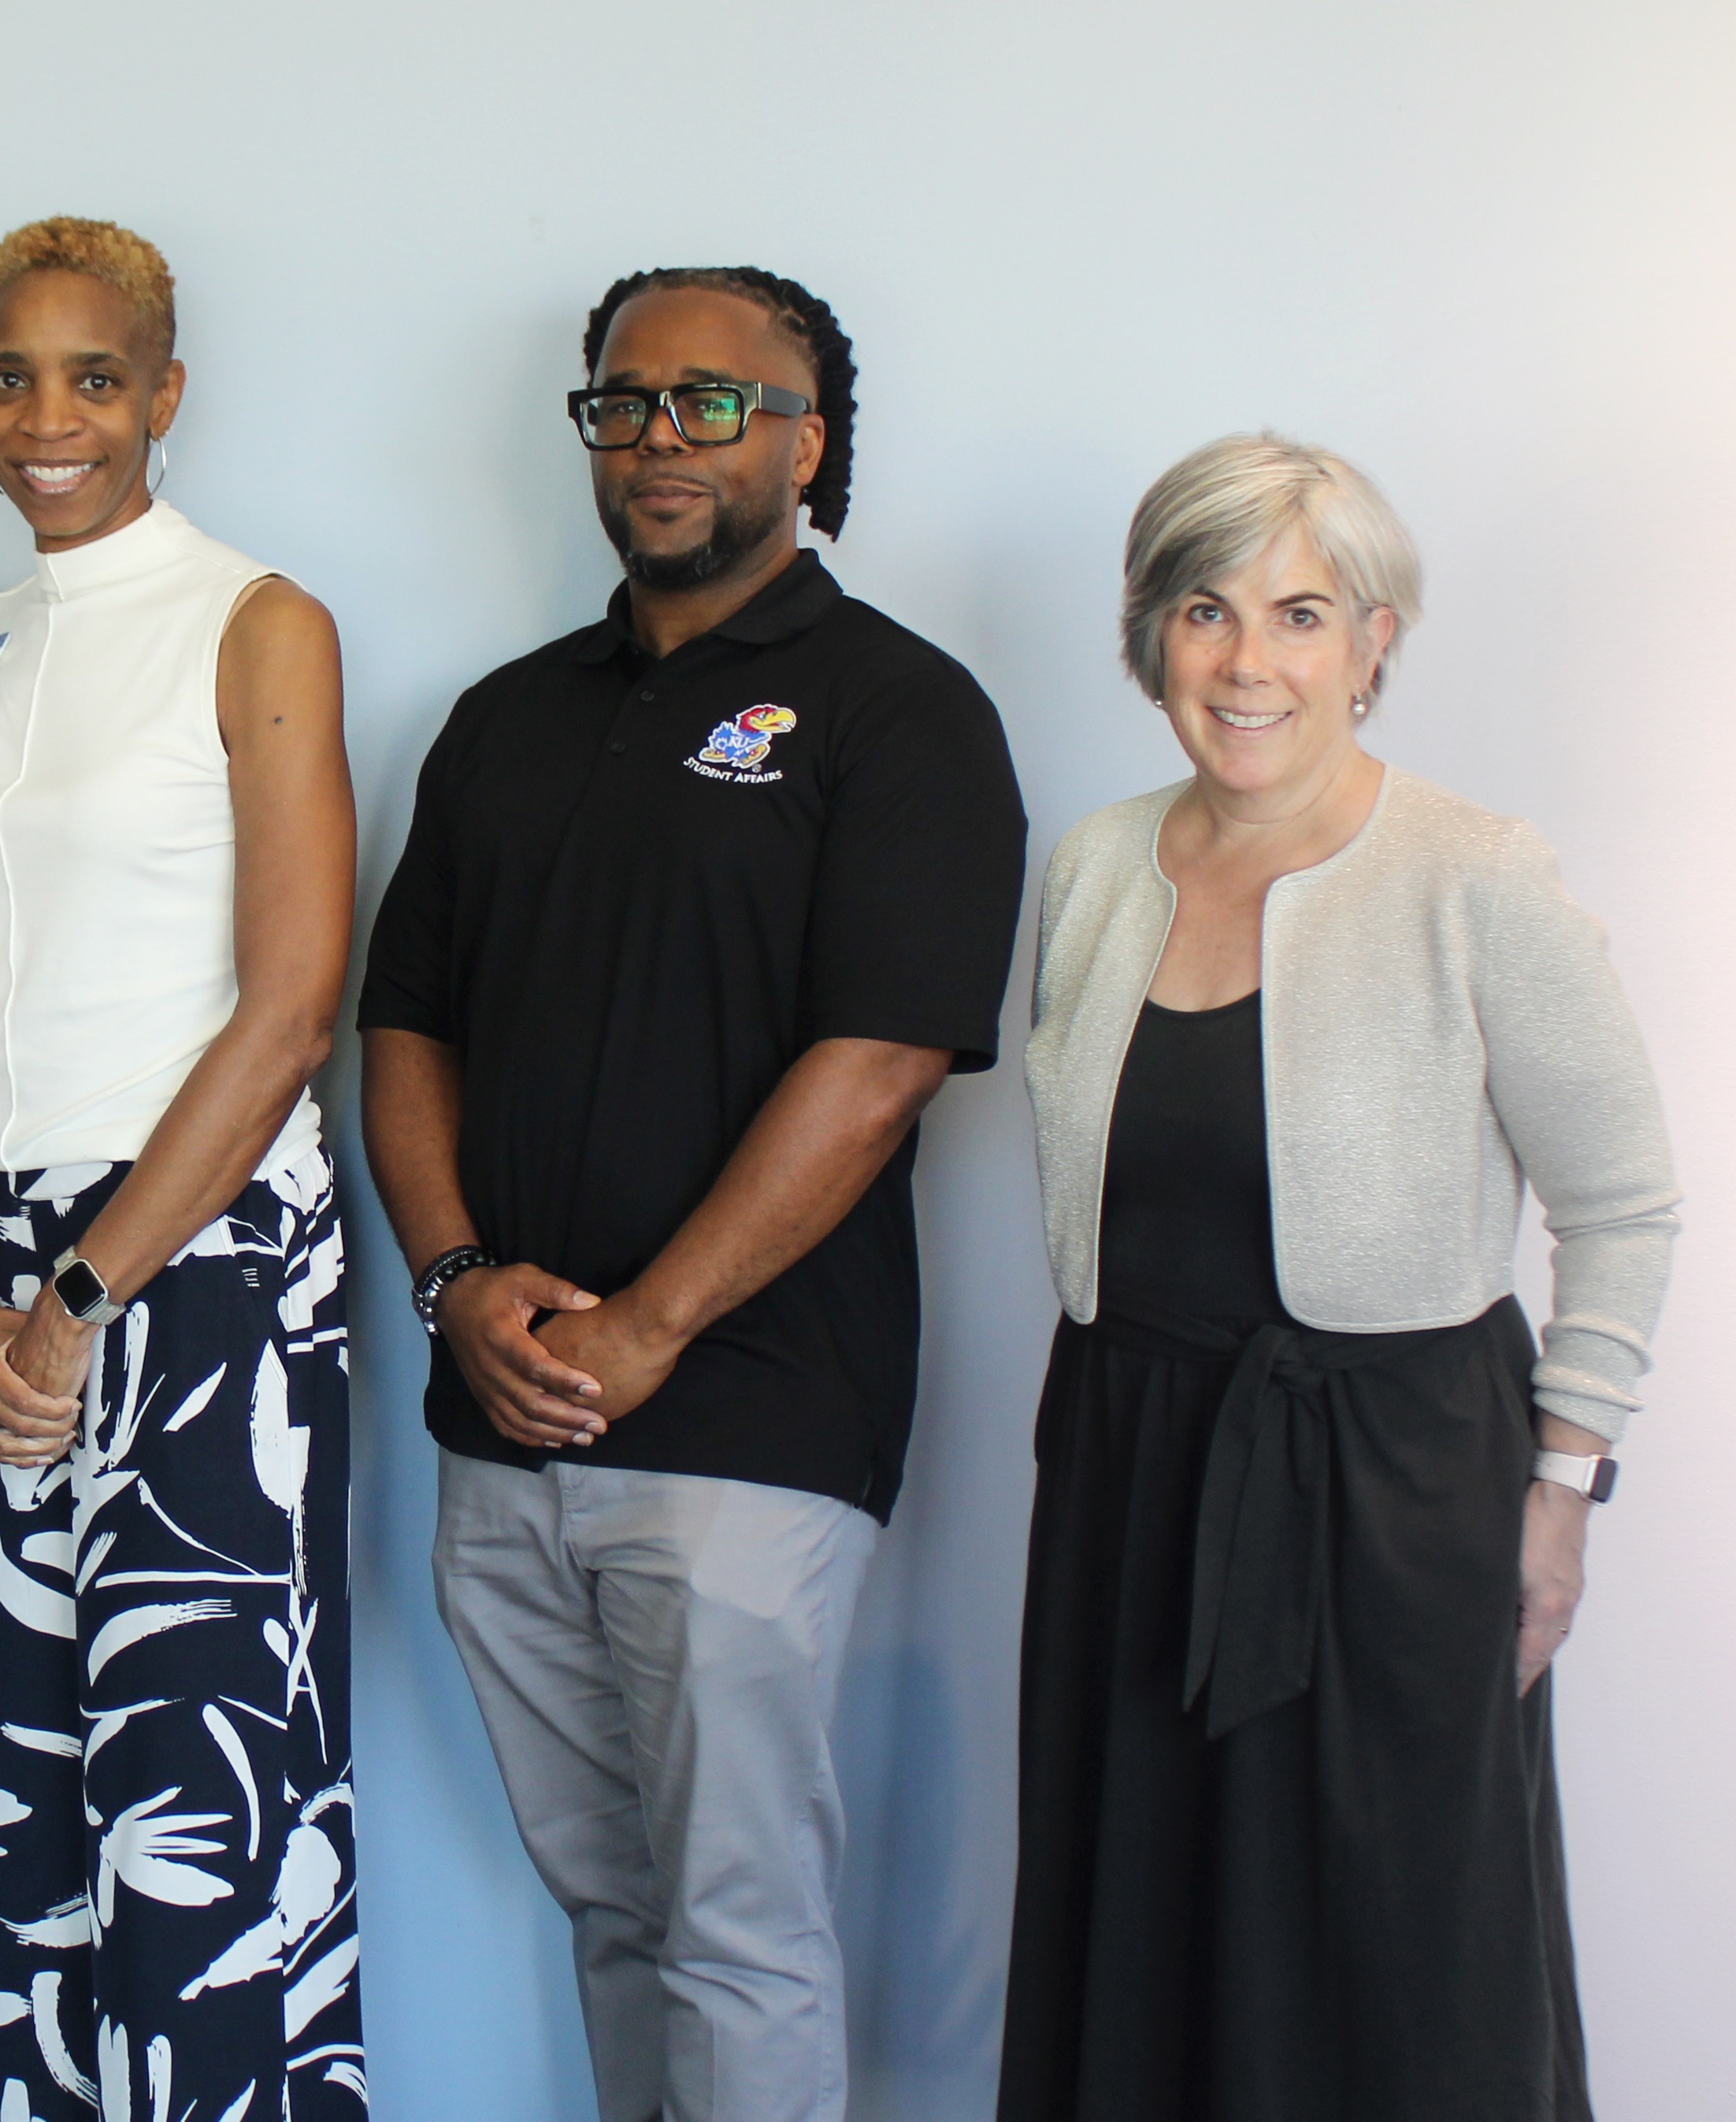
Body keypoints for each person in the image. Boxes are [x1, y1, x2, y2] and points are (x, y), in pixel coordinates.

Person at [358, 268, 1026, 2122]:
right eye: (624, 401)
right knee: (613, 1909)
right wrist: (454, 1281)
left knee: (735, 1925)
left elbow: (881, 1062)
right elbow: (404, 1027)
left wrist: (649, 1327)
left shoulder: (900, 712)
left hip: (747, 1422)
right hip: (501, 1421)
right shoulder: (503, 719)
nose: (660, 436)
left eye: (712, 402)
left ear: (805, 445)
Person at [1001, 436, 1677, 2121]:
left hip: (1393, 1489)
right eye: (1205, 610)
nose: (1248, 662)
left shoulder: (1472, 873)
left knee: (1394, 1955)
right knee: (1140, 1935)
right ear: (1150, 636)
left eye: (1299, 614)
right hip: (1126, 1472)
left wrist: (1563, 1489)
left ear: (1373, 641)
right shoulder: (1092, 867)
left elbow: (1621, 1204)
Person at [0, 216, 363, 2122]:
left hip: (205, 1257)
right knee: (35, 1821)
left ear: (164, 393)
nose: (49, 419)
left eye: (93, 378)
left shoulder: (255, 622)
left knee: (209, 1822)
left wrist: (80, 1298)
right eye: (9, 377)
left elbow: (292, 1007)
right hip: (12, 1279)